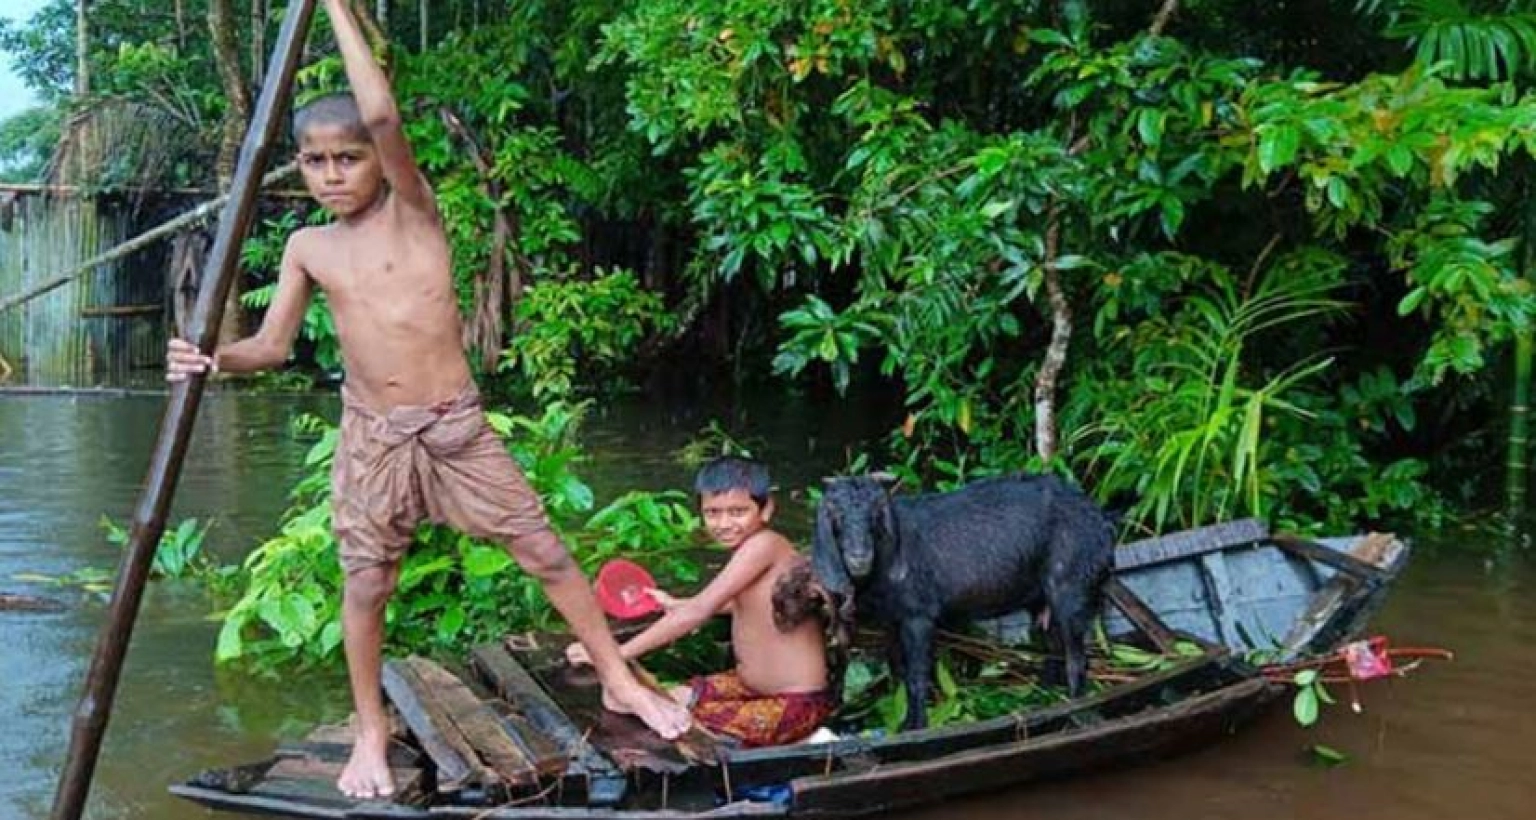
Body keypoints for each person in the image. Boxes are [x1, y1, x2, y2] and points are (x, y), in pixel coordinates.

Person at [164, 0, 688, 799]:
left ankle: (617, 677)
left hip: (454, 429)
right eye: (314, 161)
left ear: (380, 161)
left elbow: (379, 110)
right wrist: (211, 358)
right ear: (298, 169)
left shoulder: (416, 213)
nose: (333, 174)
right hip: (374, 436)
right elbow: (269, 348)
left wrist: (336, 8)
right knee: (366, 584)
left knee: (544, 550)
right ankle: (371, 731)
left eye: (348, 158)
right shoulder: (310, 247)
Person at [566, 457, 834, 747]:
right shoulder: (753, 549)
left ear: (766, 508)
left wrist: (613, 656)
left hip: (796, 704)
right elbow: (747, 604)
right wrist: (678, 603)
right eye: (713, 513)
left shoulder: (765, 545)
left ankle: (811, 740)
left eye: (737, 512)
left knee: (670, 716)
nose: (724, 523)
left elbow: (700, 610)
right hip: (747, 686)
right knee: (648, 697)